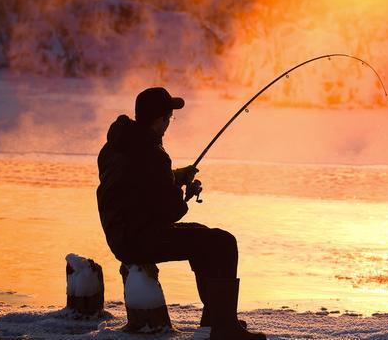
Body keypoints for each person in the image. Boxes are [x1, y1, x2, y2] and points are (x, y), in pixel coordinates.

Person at [96, 87, 265, 340]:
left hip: (122, 232)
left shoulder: (117, 145)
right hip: (138, 239)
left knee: (205, 236)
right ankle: (224, 327)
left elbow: (137, 185)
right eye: (169, 118)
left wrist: (174, 177)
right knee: (223, 243)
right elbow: (171, 211)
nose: (169, 123)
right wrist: (184, 192)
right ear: (160, 120)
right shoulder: (152, 153)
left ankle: (216, 318)